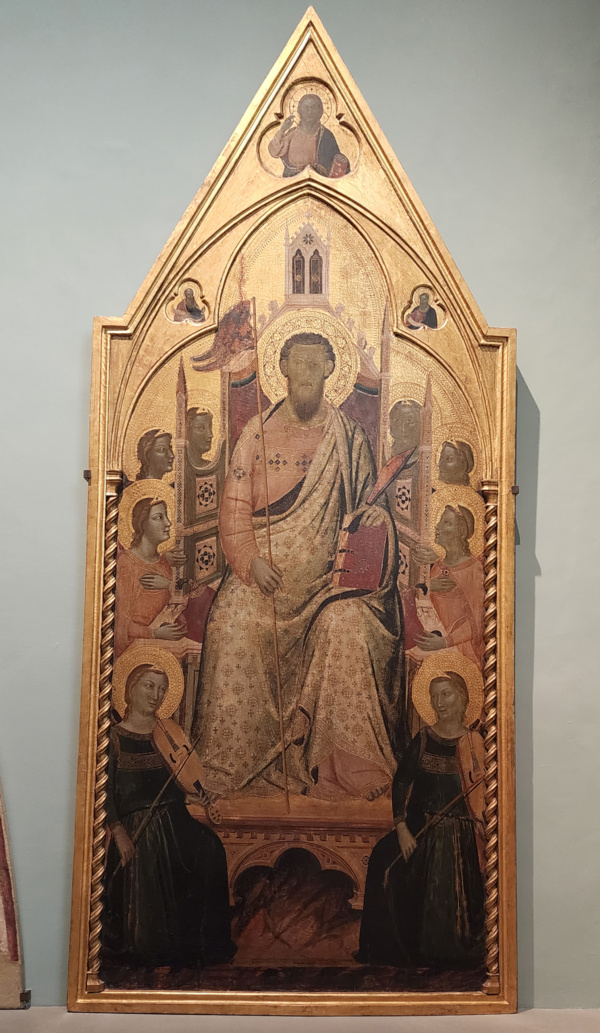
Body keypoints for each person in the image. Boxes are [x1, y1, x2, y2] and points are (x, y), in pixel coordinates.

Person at [192, 332, 404, 801]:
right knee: (230, 625)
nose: (306, 375)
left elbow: (372, 507)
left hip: (329, 584)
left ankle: (343, 771)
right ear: (283, 369)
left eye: (315, 365)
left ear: (330, 371)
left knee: (345, 627)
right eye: (298, 364)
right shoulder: (257, 433)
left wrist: (377, 519)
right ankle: (230, 768)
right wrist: (249, 561)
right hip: (262, 578)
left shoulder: (348, 438)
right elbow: (234, 507)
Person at [102, 664, 235, 969]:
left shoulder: (168, 735)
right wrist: (118, 832)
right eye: (149, 686)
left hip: (176, 819)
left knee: (210, 847)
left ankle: (201, 944)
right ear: (131, 689)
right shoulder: (115, 737)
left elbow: (178, 782)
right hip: (139, 825)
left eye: (162, 689)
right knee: (149, 851)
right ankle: (152, 946)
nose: (156, 695)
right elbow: (105, 791)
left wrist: (194, 795)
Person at [357, 672, 485, 969]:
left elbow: (482, 792)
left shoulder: (474, 742)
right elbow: (401, 783)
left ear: (462, 697)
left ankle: (442, 952)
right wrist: (401, 827)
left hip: (457, 832)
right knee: (382, 857)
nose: (439, 702)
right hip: (418, 826)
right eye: (434, 696)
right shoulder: (424, 739)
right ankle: (388, 951)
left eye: (446, 694)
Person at [409, 505, 484, 667]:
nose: (437, 527)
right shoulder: (439, 566)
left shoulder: (473, 569)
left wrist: (444, 642)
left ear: (461, 532)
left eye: (446, 522)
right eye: (440, 521)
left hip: (462, 651)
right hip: (433, 644)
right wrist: (428, 587)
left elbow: (478, 620)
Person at [114, 497, 187, 657]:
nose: (168, 523)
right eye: (158, 517)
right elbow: (120, 624)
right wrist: (154, 633)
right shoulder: (127, 565)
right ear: (142, 524)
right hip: (133, 649)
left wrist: (169, 584)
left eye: (166, 516)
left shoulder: (165, 563)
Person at [268, 94, 349, 178]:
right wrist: (282, 130)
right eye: (306, 108)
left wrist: (342, 160)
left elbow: (335, 160)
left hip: (318, 182)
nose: (309, 112)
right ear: (300, 111)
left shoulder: (326, 135)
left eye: (313, 108)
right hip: (292, 182)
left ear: (320, 112)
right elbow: (274, 152)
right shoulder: (292, 134)